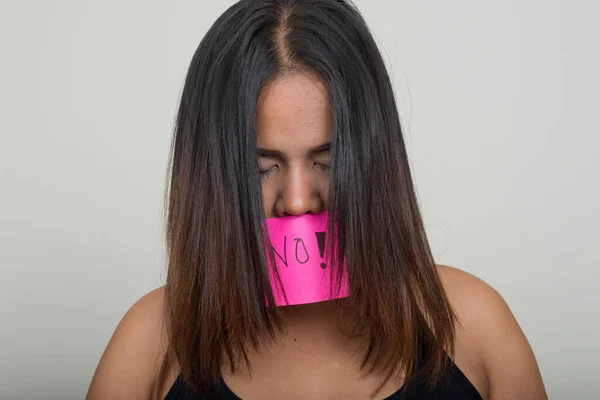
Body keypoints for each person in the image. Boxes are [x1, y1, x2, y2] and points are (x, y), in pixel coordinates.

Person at [86, 1, 547, 399]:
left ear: (375, 160)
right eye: (261, 167)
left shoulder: (475, 327)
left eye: (327, 160)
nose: (299, 201)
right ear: (213, 176)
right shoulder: (149, 345)